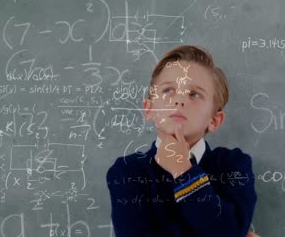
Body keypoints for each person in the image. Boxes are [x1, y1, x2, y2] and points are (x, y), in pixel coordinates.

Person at [106, 45, 259, 237]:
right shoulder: (126, 172)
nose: (179, 100)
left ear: (214, 120)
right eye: (168, 90)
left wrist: (182, 170)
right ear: (149, 109)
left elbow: (227, 231)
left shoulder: (233, 166)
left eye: (194, 94)